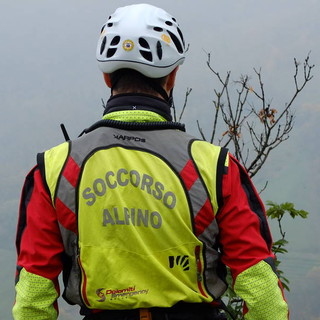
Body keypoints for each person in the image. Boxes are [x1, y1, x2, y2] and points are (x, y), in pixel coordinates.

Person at [13, 3, 289, 320]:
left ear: (106, 76)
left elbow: (33, 299)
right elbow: (265, 297)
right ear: (172, 75)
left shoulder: (54, 171)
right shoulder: (216, 168)